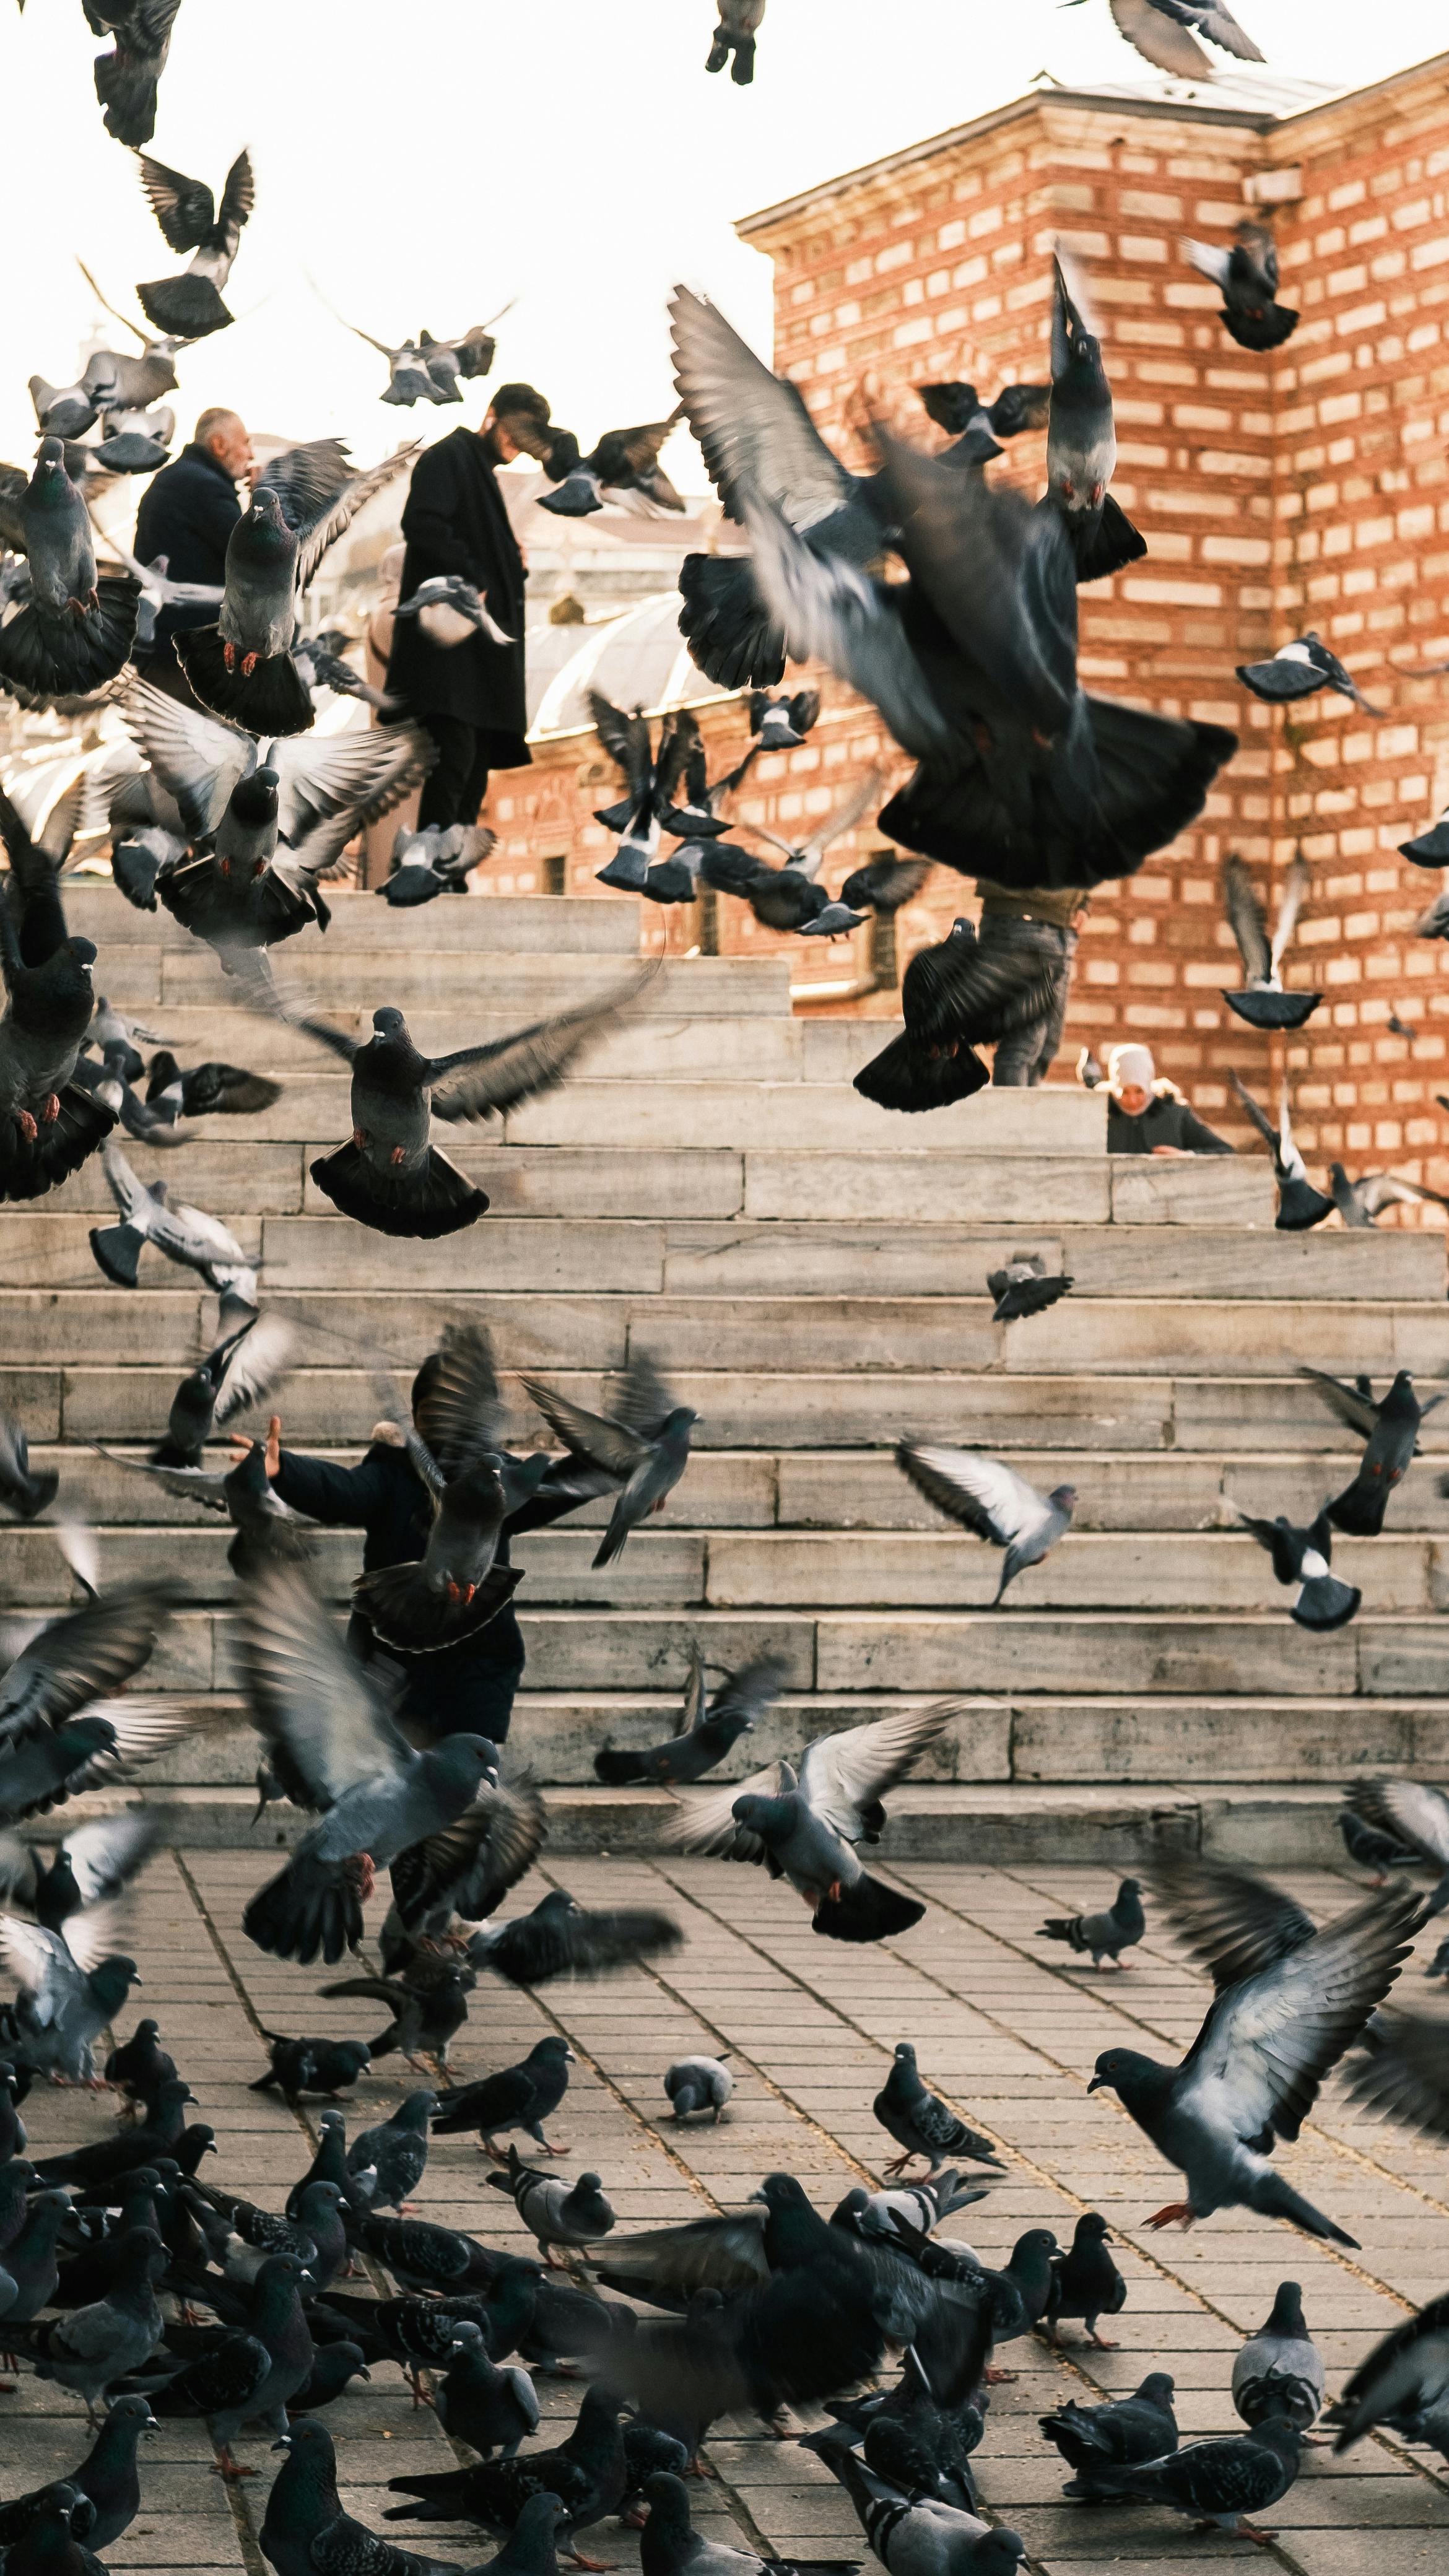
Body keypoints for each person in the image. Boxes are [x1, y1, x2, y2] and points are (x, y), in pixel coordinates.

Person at [235, 1348, 587, 1748]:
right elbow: (342, 1490)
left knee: (468, 1778)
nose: (444, 1427)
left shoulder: (498, 1482)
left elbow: (558, 1489)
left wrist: (628, 1467)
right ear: (417, 1417)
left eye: (455, 1415)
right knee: (394, 1783)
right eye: (433, 1414)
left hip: (477, 1663)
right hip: (395, 1659)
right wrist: (286, 1470)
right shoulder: (393, 1471)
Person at [385, 385, 557, 831]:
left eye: (529, 437)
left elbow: (467, 534)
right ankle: (429, 872)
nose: (519, 445)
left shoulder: (477, 468)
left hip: (476, 663)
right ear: (493, 414)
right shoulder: (451, 457)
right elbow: (422, 522)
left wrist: (506, 557)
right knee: (455, 762)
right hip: (453, 661)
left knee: (474, 767)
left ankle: (448, 869)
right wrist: (474, 579)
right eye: (516, 430)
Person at [131, 406, 253, 698]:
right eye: (245, 442)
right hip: (197, 660)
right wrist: (267, 498)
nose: (250, 455)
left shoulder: (170, 480)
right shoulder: (206, 488)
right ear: (219, 445)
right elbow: (257, 560)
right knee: (223, 743)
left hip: (160, 650)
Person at [976, 878, 1087, 1086]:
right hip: (1020, 921)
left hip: (1061, 927)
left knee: (1046, 1047)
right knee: (1022, 1045)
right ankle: (1013, 1118)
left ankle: (1025, 1117)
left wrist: (1083, 903)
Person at [1103, 1042, 1234, 1157]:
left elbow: (1225, 1150)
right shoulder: (1101, 1114)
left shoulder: (1175, 1114)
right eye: (1125, 1092)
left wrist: (1186, 1156)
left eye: (1139, 1091)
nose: (1132, 1101)